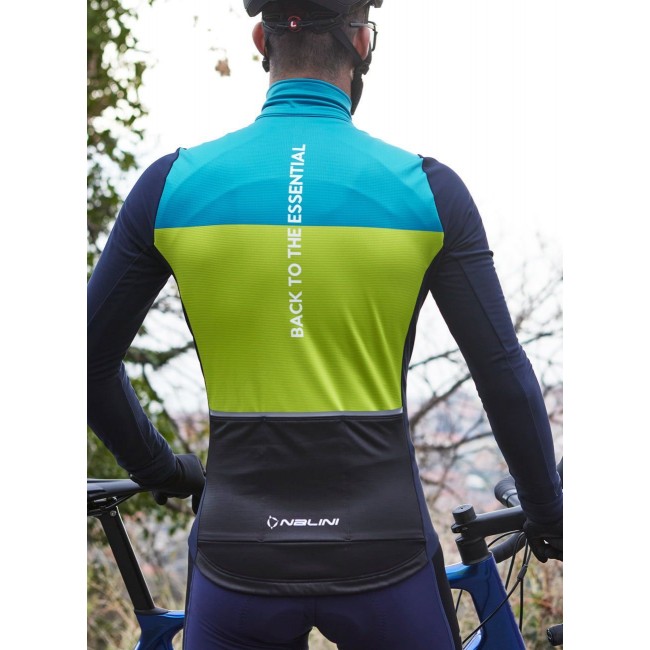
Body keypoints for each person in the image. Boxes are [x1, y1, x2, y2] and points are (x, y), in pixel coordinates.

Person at [87, 1, 563, 648]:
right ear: (363, 42)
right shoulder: (428, 190)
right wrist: (546, 509)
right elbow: (501, 372)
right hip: (386, 551)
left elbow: (89, 362)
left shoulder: (170, 186)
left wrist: (162, 469)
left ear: (261, 38)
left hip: (236, 554)